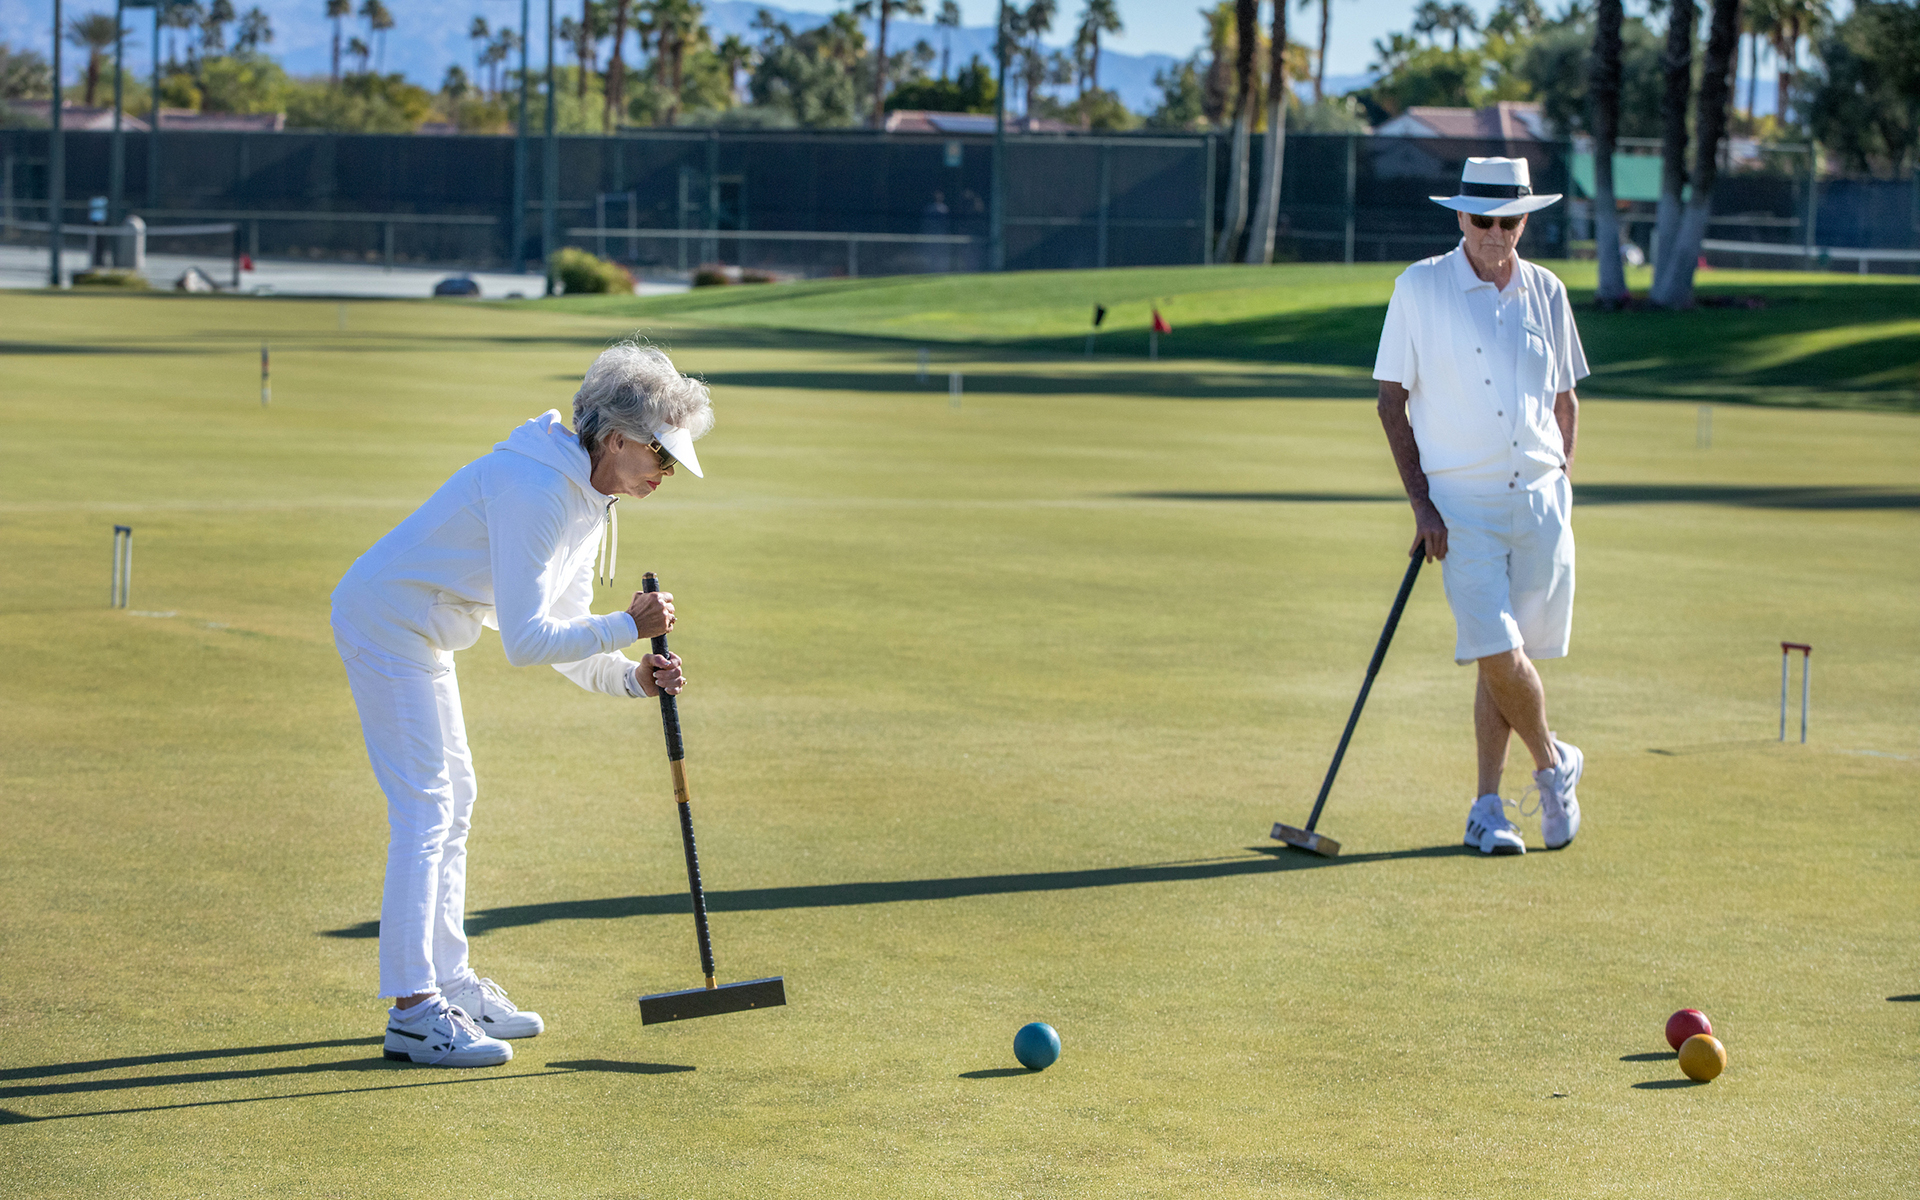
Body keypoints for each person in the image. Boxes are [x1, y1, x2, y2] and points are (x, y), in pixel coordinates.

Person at [331, 341, 712, 1066]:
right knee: (427, 808)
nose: (666, 473)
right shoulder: (535, 490)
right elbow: (526, 641)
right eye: (660, 455)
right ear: (616, 437)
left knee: (455, 800)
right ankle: (414, 1011)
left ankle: (450, 983)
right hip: (385, 621)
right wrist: (628, 624)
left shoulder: (588, 499)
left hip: (422, 630)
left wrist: (631, 675)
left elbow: (564, 634)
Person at [1371, 157, 1588, 856]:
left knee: (1506, 659)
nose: (1496, 233)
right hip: (1460, 505)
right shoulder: (1419, 286)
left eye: (1510, 220)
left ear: (1524, 221)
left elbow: (1565, 401)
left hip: (1541, 502)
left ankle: (1486, 809)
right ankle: (1553, 764)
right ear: (1460, 217)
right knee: (1496, 647)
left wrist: (1562, 483)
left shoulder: (1548, 290)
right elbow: (1391, 402)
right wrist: (1422, 506)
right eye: (1482, 219)